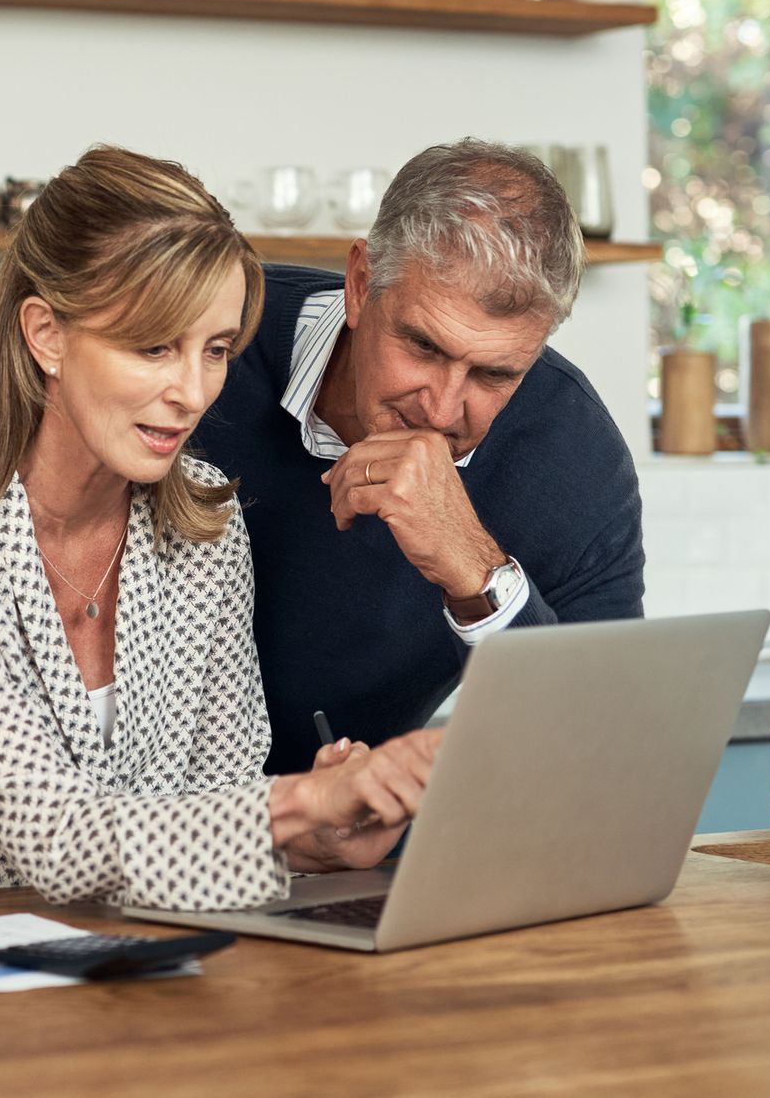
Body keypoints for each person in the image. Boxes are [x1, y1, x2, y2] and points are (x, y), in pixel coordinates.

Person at [0, 146, 443, 910]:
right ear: (47, 335)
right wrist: (301, 805)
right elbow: (54, 836)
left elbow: (215, 799)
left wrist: (312, 842)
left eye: (217, 350)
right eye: (153, 346)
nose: (193, 391)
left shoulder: (205, 531)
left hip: (111, 975)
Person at [193, 139, 645, 776]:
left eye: (493, 374)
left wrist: (476, 573)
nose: (441, 409)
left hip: (360, 841)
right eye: (424, 347)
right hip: (148, 830)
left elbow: (602, 751)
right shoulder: (211, 348)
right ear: (359, 283)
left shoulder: (573, 455)